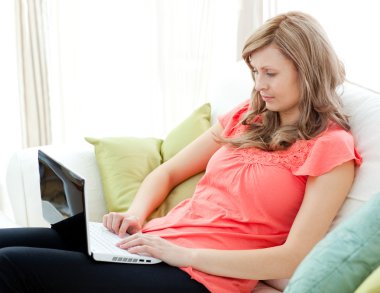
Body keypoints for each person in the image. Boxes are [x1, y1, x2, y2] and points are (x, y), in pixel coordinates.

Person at [0, 11, 362, 293]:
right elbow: (167, 172)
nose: (259, 85)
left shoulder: (332, 149)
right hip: (149, 246)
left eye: (270, 73)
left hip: (201, 278)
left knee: (11, 266)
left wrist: (184, 255)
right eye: (254, 72)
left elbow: (294, 256)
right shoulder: (245, 117)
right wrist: (135, 216)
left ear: (308, 72)